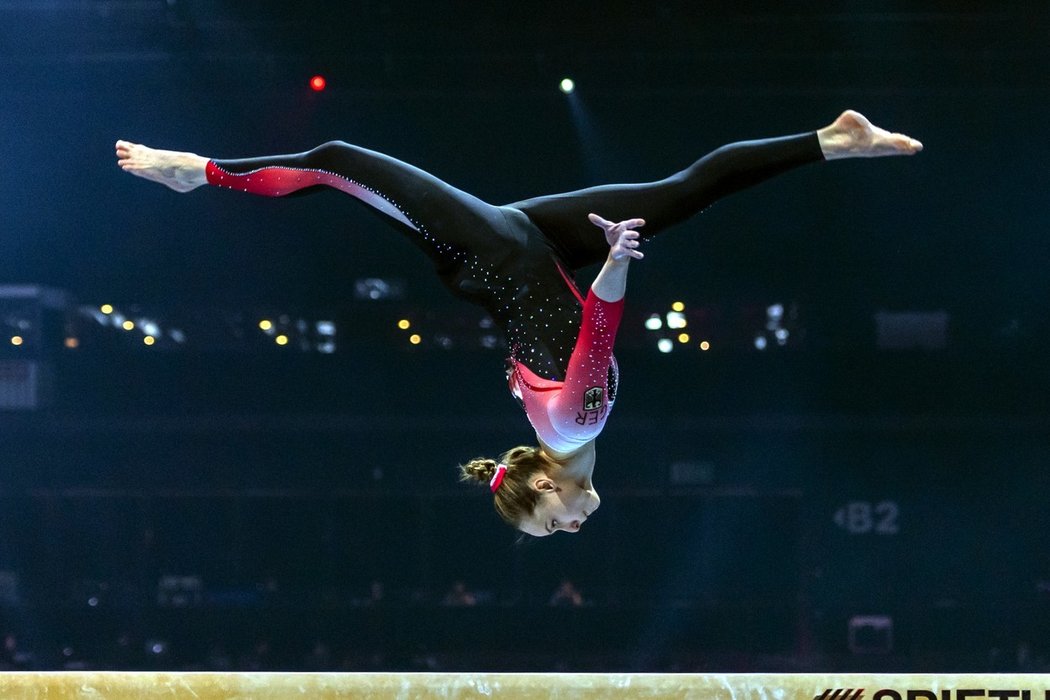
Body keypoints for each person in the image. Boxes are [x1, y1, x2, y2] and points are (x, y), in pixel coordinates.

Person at [115, 110, 922, 538]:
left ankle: (202, 174)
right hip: (528, 249)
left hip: (489, 252)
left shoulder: (574, 424)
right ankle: (833, 140)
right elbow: (577, 340)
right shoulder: (569, 434)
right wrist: (599, 264)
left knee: (336, 157)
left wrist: (616, 262)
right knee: (685, 191)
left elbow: (596, 339)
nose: (572, 526)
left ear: (544, 485)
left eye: (553, 523)